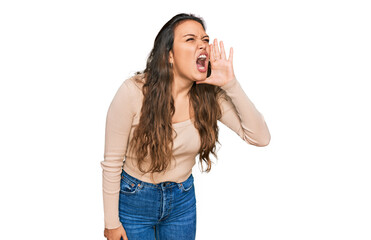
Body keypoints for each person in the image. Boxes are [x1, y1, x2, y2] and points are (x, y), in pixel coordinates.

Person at [100, 13, 271, 240]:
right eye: (190, 39)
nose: (202, 45)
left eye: (205, 40)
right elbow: (112, 163)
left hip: (182, 201)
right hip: (135, 201)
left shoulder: (210, 94)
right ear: (170, 55)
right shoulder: (133, 92)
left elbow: (260, 137)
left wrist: (231, 84)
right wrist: (111, 223)